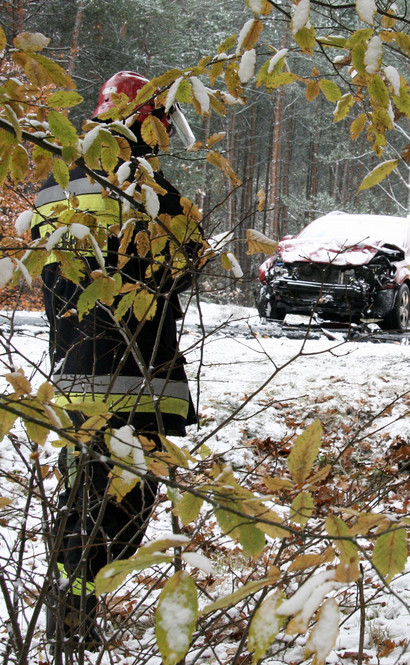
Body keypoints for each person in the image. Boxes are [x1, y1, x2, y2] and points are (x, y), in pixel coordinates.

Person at [30, 71, 204, 657]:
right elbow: (187, 262)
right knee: (123, 505)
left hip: (77, 366)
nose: (165, 138)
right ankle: (73, 610)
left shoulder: (59, 186)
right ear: (141, 121)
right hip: (136, 372)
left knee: (83, 495)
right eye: (160, 123)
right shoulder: (151, 193)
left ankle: (69, 608)